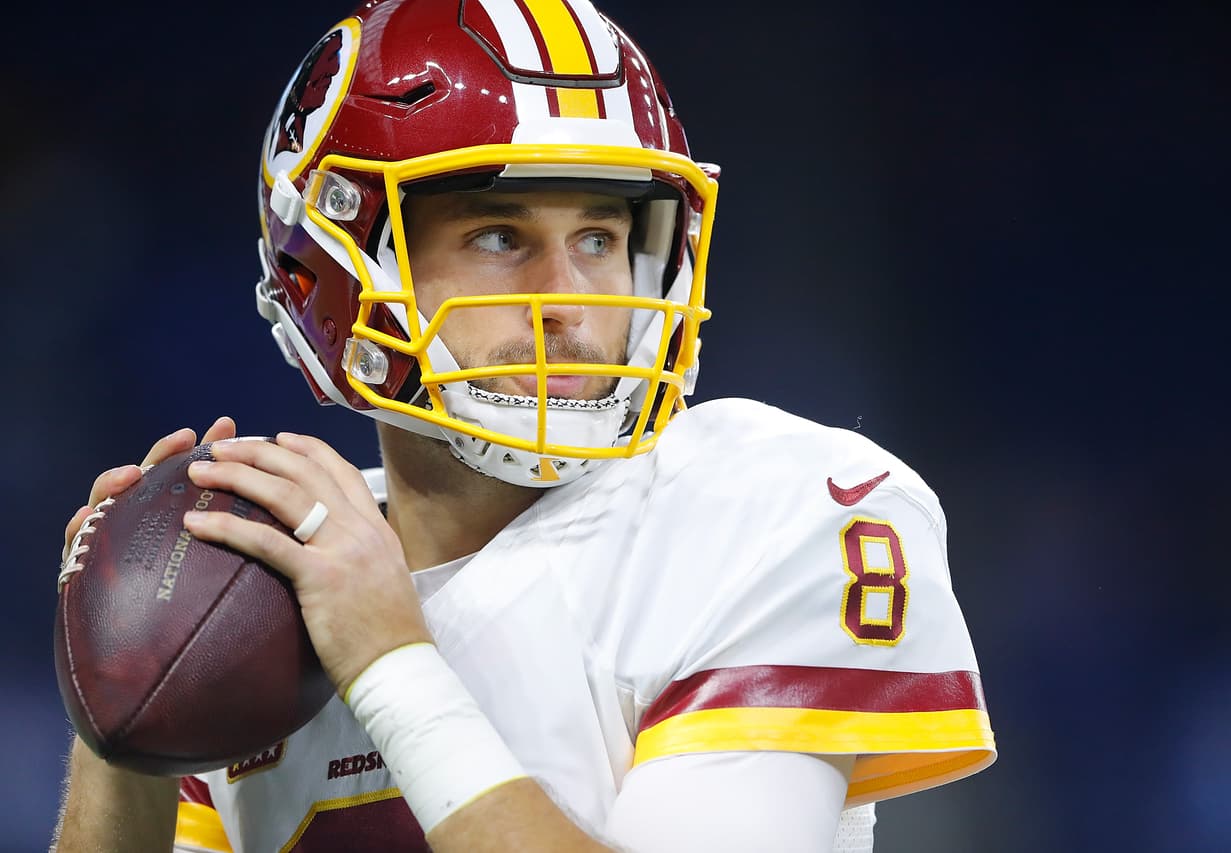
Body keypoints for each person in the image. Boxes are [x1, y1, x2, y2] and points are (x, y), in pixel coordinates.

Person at [52, 1, 996, 850]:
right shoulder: (255, 583)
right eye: (500, 238)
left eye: (599, 237)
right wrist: (122, 705)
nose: (571, 300)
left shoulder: (766, 508)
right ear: (341, 266)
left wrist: (390, 662)